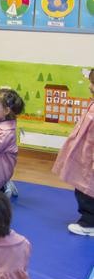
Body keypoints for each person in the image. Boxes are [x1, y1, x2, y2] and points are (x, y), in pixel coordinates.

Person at [52, 68, 94, 236]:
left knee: (86, 190)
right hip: (85, 155)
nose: (90, 86)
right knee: (83, 186)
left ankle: (89, 224)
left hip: (90, 159)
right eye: (91, 82)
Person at [0, 88, 25, 197]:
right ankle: (5, 184)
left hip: (0, 167)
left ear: (6, 111)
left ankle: (4, 188)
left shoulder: (8, 132)